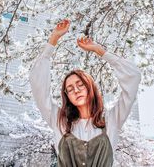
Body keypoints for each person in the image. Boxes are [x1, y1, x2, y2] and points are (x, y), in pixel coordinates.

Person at [29, 19, 141, 167]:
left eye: (80, 85)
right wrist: (53, 39)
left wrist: (99, 51)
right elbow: (38, 85)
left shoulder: (112, 120)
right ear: (67, 96)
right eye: (69, 89)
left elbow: (133, 76)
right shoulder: (59, 121)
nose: (75, 90)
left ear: (90, 88)